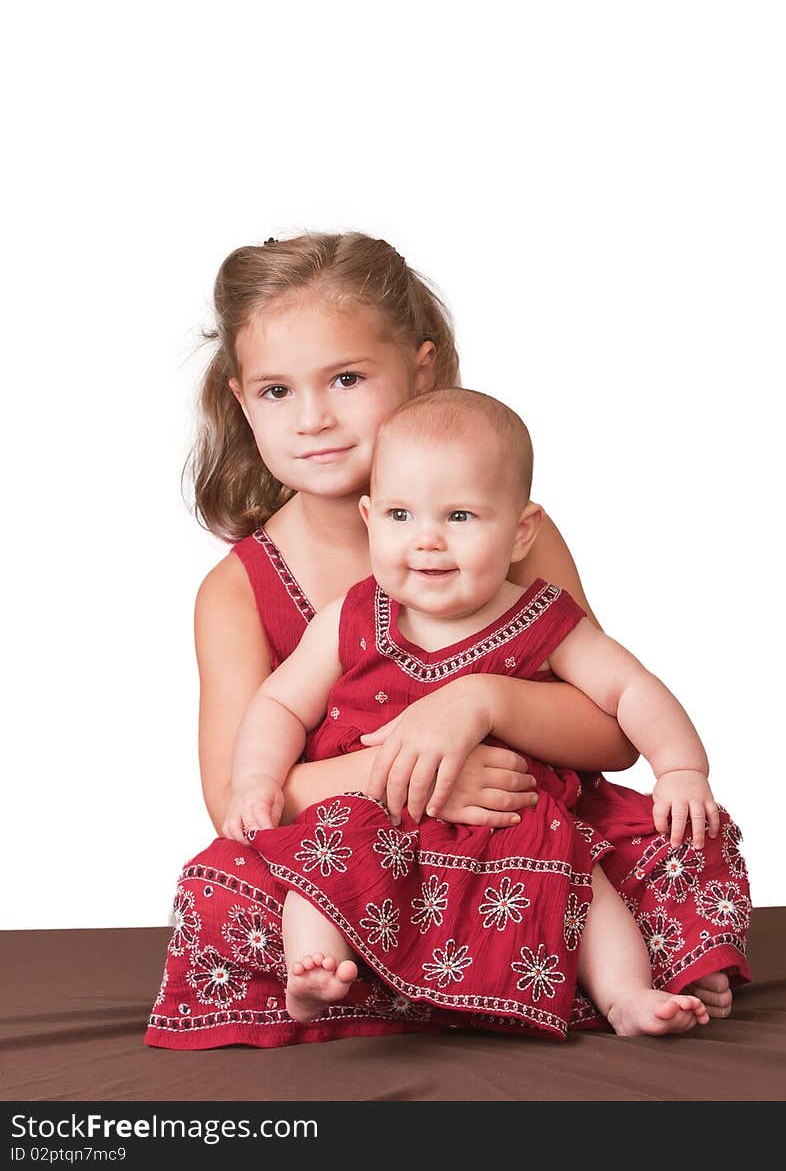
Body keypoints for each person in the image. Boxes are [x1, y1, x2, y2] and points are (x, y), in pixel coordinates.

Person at [145, 232, 751, 1050]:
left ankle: (602, 975)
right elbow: (238, 803)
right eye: (277, 391)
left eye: (348, 379)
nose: (314, 417)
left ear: (421, 370)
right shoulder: (238, 589)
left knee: (682, 839)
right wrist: (415, 777)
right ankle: (422, 978)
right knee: (222, 890)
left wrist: (480, 701)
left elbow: (612, 734)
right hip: (358, 854)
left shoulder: (510, 537)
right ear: (241, 401)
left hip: (527, 828)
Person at [224, 389, 716, 1038]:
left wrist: (681, 767)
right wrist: (256, 778)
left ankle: (625, 993)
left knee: (581, 883)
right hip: (380, 817)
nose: (426, 540)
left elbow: (629, 691)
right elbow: (281, 702)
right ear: (370, 519)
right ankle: (315, 970)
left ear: (520, 532)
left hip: (511, 819)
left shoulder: (544, 617)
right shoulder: (352, 616)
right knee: (321, 858)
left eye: (459, 516)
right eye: (401, 514)